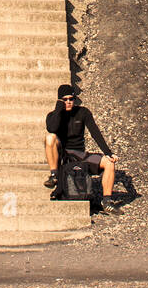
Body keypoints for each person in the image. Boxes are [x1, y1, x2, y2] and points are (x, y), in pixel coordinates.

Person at [44, 84, 119, 213]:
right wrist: (59, 109)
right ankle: (54, 174)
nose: (68, 102)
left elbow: (95, 132)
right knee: (50, 138)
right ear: (60, 101)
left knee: (109, 163)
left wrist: (108, 153)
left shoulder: (83, 112)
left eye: (71, 99)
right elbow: (52, 128)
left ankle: (107, 201)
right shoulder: (53, 115)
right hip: (64, 154)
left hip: (80, 154)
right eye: (65, 99)